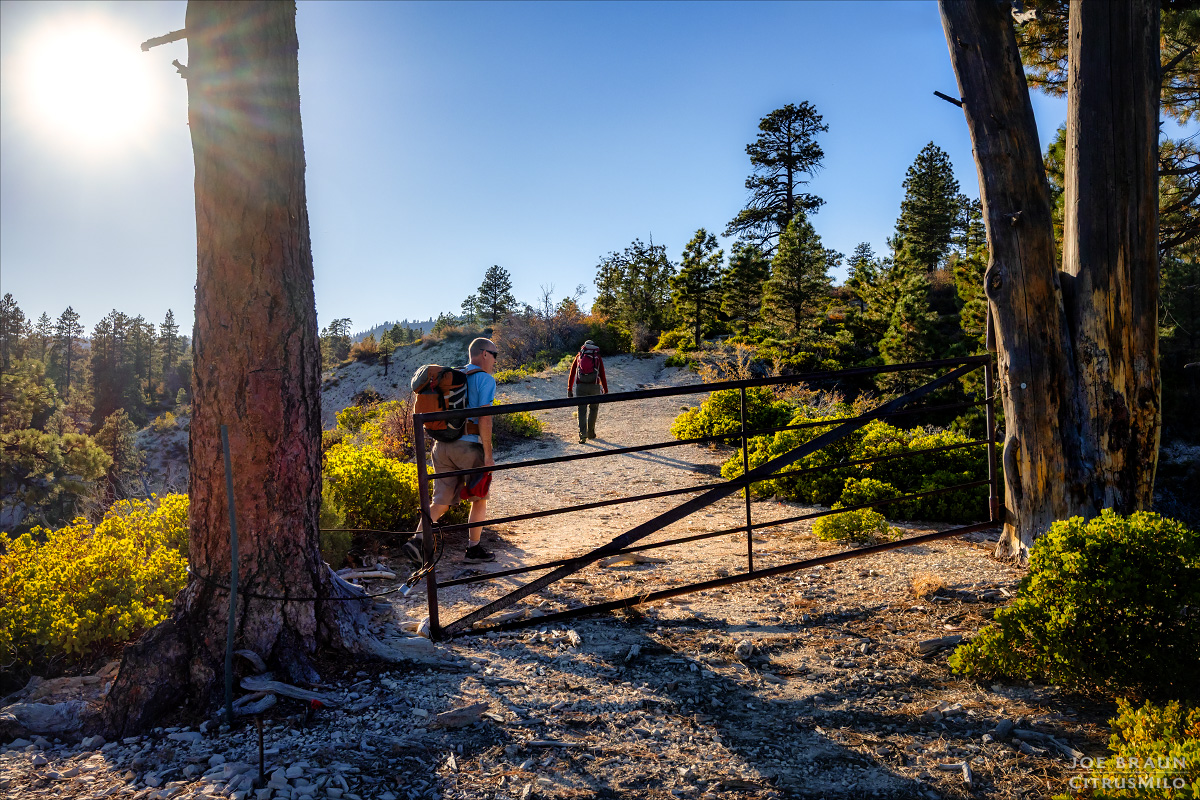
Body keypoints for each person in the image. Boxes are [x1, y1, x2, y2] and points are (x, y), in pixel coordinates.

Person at [404, 337, 499, 565]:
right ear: (484, 354)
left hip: (442, 447)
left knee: (441, 501)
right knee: (479, 498)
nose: (495, 360)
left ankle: (416, 541)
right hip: (468, 447)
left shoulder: (454, 375)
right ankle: (473, 550)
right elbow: (484, 418)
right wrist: (487, 455)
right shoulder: (485, 380)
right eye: (495, 355)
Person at [567, 340, 608, 443]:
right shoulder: (597, 357)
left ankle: (582, 435)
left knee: (581, 410)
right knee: (593, 409)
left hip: (581, 387)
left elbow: (572, 374)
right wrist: (605, 390)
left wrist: (569, 389)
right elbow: (602, 374)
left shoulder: (579, 356)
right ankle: (591, 433)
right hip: (594, 386)